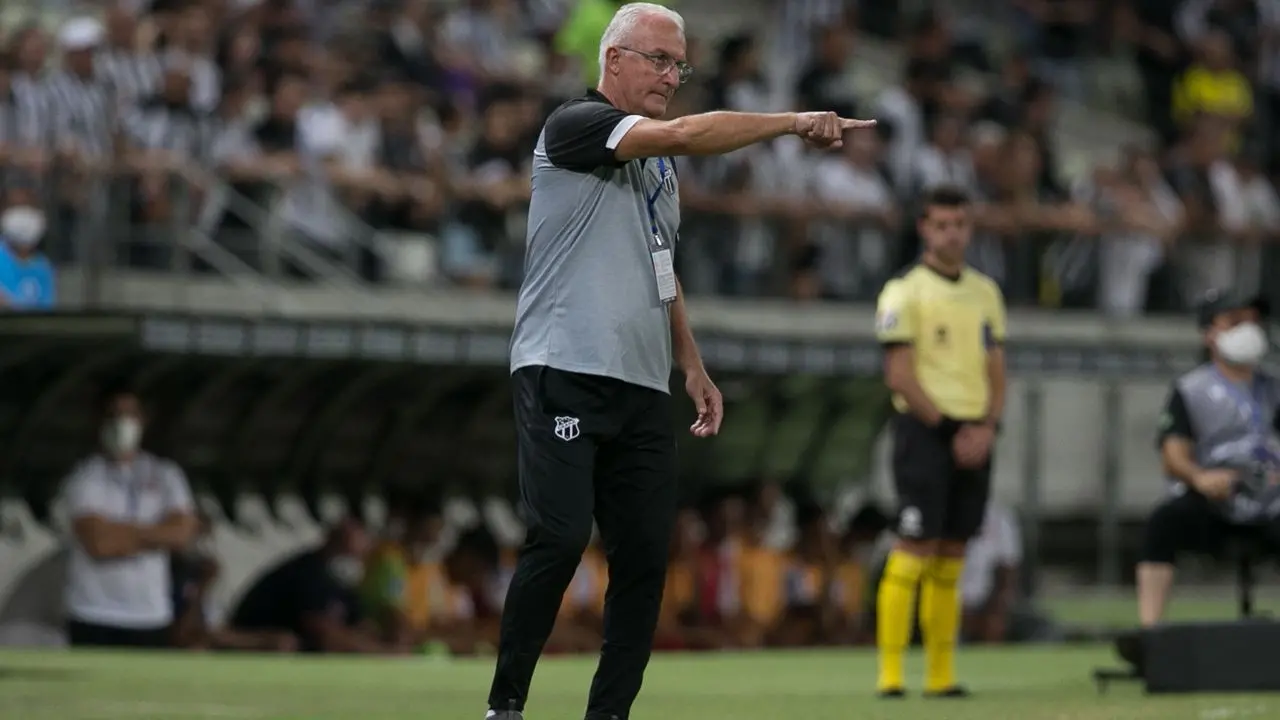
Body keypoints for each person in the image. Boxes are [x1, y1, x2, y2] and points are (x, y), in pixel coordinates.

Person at [492, 2, 875, 717]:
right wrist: (792, 122)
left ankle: (608, 713)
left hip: (641, 381)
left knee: (643, 560)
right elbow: (691, 133)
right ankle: (505, 704)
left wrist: (691, 364)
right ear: (613, 60)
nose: (672, 75)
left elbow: (660, 266)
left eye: (679, 64)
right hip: (563, 365)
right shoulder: (575, 125)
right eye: (659, 60)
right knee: (562, 535)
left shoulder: (658, 170)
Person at [872, 185, 1007, 698]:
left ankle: (940, 676)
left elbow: (998, 369)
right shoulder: (903, 292)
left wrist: (988, 426)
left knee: (953, 553)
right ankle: (890, 675)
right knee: (914, 547)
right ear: (924, 229)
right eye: (942, 224)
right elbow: (899, 376)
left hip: (975, 432)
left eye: (961, 224)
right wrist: (955, 430)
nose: (953, 233)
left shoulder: (985, 292)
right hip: (925, 434)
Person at [1134, 291, 1280, 630]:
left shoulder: (1273, 388)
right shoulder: (1192, 390)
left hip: (1270, 500)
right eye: (1235, 321)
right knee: (1163, 525)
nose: (1248, 330)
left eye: (1252, 321)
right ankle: (1150, 631)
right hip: (1216, 498)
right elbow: (1173, 454)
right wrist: (1199, 478)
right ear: (1210, 333)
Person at [61, 387, 198, 648]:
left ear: (143, 420)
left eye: (130, 414)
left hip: (150, 613)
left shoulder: (166, 474)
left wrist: (119, 531)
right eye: (114, 415)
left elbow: (182, 536)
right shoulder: (85, 477)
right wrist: (157, 533)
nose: (122, 423)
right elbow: (99, 545)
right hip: (93, 612)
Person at [229, 517, 404, 654]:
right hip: (257, 640)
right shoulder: (307, 572)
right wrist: (384, 652)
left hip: (296, 647)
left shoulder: (342, 581)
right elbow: (325, 635)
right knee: (284, 642)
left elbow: (362, 625)